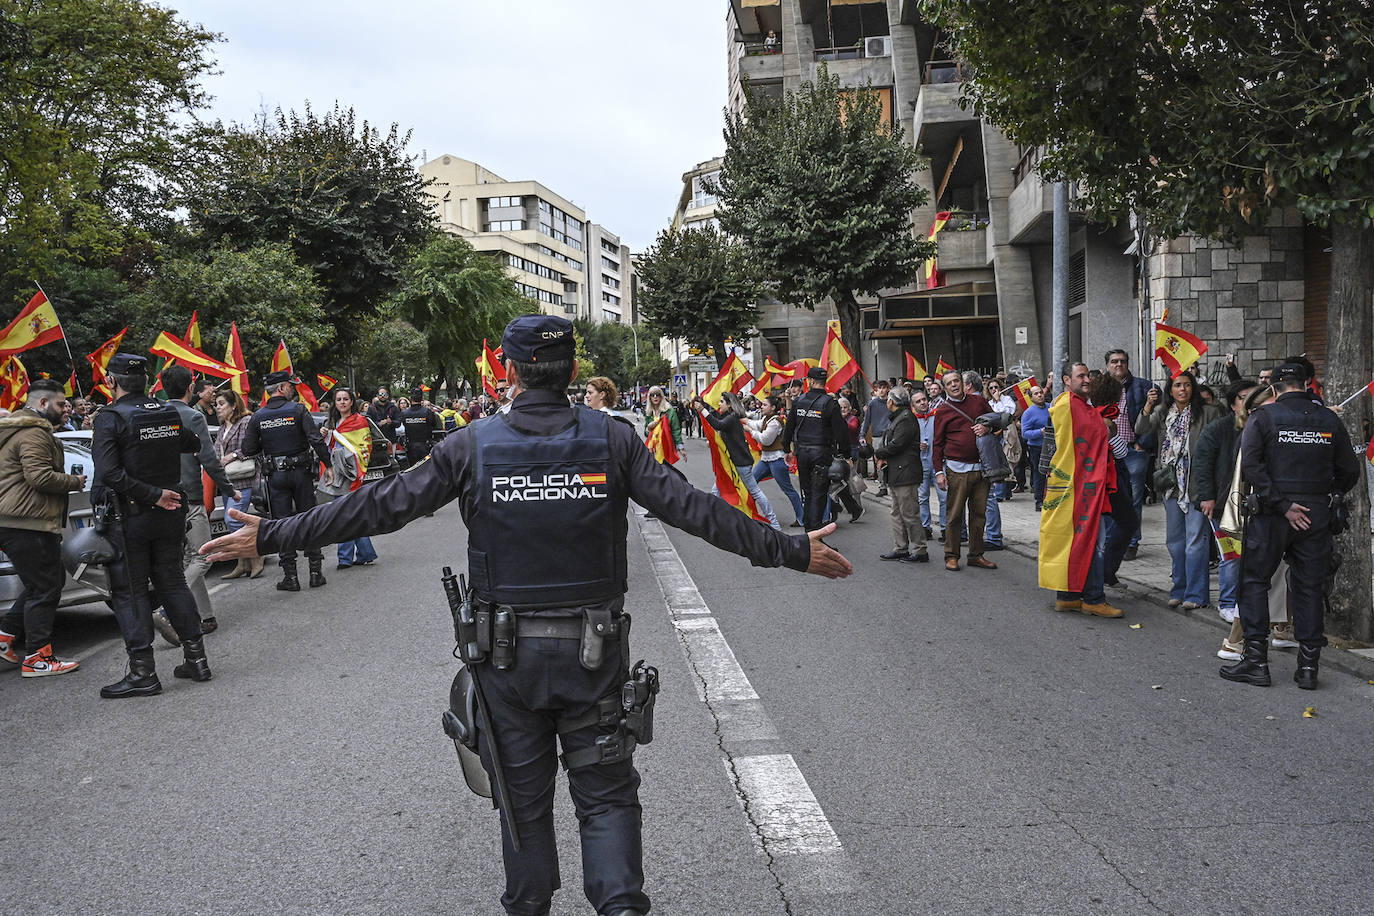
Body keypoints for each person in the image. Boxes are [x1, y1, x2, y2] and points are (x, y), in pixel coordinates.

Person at [200, 314, 852, 916]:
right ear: (571, 372)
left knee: (523, 807)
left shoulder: (473, 445)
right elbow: (695, 511)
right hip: (594, 658)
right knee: (605, 799)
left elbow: (378, 507)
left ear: (509, 373)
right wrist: (791, 550)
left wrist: (273, 534)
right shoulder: (611, 440)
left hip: (505, 665)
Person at [1220, 362, 1361, 689]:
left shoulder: (1263, 418)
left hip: (1272, 514)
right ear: (1306, 384)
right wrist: (1325, 497)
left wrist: (1283, 505)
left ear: (1273, 390)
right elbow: (1350, 471)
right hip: (1314, 514)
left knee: (1255, 581)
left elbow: (1252, 467)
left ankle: (1256, 662)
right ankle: (1308, 669)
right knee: (1310, 587)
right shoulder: (1329, 419)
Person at [91, 354, 209, 698]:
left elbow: (109, 474)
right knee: (172, 582)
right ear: (146, 381)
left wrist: (151, 494)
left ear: (112, 382)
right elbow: (192, 443)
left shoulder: (111, 417)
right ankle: (197, 660)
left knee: (130, 591)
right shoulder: (165, 411)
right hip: (170, 511)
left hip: (132, 516)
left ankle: (143, 673)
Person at [0, 379, 86, 677]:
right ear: (41, 404)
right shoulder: (34, 433)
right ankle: (38, 657)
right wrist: (74, 482)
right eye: (61, 404)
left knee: (46, 582)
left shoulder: (18, 430)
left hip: (18, 521)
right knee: (46, 588)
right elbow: (39, 477)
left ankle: (5, 638)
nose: (67, 410)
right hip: (29, 523)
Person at [1038, 363, 1123, 617]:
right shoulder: (1068, 406)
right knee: (1091, 543)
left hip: (1083, 485)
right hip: (1080, 486)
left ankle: (1069, 596)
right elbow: (1069, 448)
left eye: (1088, 376)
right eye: (1081, 376)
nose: (1087, 380)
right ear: (1067, 379)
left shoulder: (1082, 406)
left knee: (1075, 541)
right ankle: (1093, 598)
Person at [161, 365, 238, 641]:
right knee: (204, 556)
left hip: (161, 498)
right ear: (191, 388)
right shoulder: (192, 417)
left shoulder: (155, 415)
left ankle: (205, 616)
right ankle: (167, 611)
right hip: (189, 497)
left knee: (188, 558)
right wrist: (229, 489)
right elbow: (209, 458)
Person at [1135, 369, 1224, 610]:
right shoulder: (1163, 412)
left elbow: (1220, 445)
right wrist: (1148, 405)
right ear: (1170, 390)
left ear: (1193, 388)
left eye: (1186, 385)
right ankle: (1179, 589)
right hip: (1171, 486)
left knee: (1196, 540)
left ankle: (1196, 595)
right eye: (1177, 385)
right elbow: (1141, 429)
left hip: (1197, 485)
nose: (1182, 389)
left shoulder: (1209, 412)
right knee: (1175, 541)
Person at [243, 369, 332, 591]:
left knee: (282, 523)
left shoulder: (258, 416)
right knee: (309, 518)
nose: (293, 388)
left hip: (276, 476)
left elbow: (248, 449)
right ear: (281, 388)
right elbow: (315, 439)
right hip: (301, 473)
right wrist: (328, 465)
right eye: (290, 385)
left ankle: (290, 577)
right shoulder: (298, 409)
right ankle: (314, 573)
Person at [1193, 378, 1259, 626]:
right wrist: (1207, 497)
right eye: (1243, 397)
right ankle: (1228, 603)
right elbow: (1203, 464)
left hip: (1256, 504)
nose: (1250, 402)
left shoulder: (1263, 426)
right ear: (1233, 404)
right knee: (1231, 556)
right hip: (1224, 504)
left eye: (1254, 396)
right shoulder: (1218, 429)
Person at [782, 366, 863, 530]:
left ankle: (809, 533)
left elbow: (789, 428)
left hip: (803, 453)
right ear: (824, 382)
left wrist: (786, 450)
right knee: (819, 494)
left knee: (807, 493)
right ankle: (814, 534)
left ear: (811, 381)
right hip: (821, 454)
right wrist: (846, 456)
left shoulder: (799, 401)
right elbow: (841, 433)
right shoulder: (830, 403)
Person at [931, 369, 995, 572]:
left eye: (956, 381)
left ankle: (976, 555)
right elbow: (937, 444)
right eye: (949, 383)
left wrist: (988, 428)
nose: (954, 385)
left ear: (962, 382)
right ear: (944, 387)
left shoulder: (979, 402)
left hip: (982, 468)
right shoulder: (942, 411)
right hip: (956, 469)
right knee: (955, 515)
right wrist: (939, 472)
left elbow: (996, 422)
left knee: (979, 514)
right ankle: (952, 555)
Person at [694, 391, 780, 531]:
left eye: (722, 402)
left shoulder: (732, 418)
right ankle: (714, 519)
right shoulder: (729, 417)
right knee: (717, 490)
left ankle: (773, 522)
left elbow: (716, 424)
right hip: (736, 462)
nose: (719, 404)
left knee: (754, 491)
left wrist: (702, 410)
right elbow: (719, 423)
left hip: (740, 462)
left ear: (729, 404)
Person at [1104, 349, 1158, 560]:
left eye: (1123, 361)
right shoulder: (1100, 387)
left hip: (1133, 450)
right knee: (1108, 497)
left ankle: (1131, 542)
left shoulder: (1144, 386)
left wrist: (1142, 444)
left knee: (1133, 499)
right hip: (1107, 452)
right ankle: (1110, 541)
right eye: (1114, 361)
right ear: (1107, 365)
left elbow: (1153, 417)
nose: (1119, 365)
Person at [322, 387, 382, 569]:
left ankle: (346, 558)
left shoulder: (360, 421)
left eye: (345, 399)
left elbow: (365, 447)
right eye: (338, 399)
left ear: (352, 401)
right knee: (350, 514)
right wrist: (325, 436)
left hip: (353, 473)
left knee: (344, 514)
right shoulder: (331, 422)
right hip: (338, 474)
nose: (342, 402)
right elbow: (327, 448)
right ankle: (364, 553)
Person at [214, 388, 264, 580]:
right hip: (227, 480)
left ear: (233, 405)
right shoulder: (221, 428)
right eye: (216, 404)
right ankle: (242, 563)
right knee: (237, 520)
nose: (218, 408)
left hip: (243, 478)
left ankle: (255, 555)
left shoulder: (245, 422)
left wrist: (233, 455)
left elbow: (252, 447)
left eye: (221, 404)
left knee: (232, 520)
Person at [874, 386, 928, 563]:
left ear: (892, 401)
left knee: (909, 512)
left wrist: (879, 453)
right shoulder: (898, 418)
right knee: (896, 512)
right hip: (896, 472)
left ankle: (920, 550)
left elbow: (897, 444)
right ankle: (900, 547)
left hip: (906, 472)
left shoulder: (905, 419)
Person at [745, 394, 804, 527]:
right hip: (766, 459)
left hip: (777, 459)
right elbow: (754, 423)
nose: (762, 406)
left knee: (788, 490)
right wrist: (742, 418)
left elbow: (766, 439)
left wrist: (750, 431)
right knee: (750, 484)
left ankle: (801, 518)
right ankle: (750, 513)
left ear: (772, 408)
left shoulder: (775, 422)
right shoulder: (766, 418)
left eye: (765, 405)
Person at [911, 388, 946, 540]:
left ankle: (945, 528)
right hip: (920, 463)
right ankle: (925, 527)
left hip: (938, 463)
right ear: (913, 405)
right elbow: (905, 440)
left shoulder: (937, 416)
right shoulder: (911, 420)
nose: (922, 403)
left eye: (924, 399)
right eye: (918, 401)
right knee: (922, 496)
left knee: (944, 496)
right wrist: (916, 445)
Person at [1020, 384, 1050, 510]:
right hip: (1037, 448)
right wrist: (1040, 432)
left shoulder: (1051, 407)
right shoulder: (1028, 413)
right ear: (1031, 398)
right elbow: (1025, 433)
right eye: (1036, 394)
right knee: (1039, 473)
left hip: (1052, 445)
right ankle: (1039, 500)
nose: (1040, 395)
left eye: (1041, 392)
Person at [861, 379, 893, 496]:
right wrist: (862, 435)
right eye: (879, 388)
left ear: (888, 389)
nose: (881, 390)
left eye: (884, 388)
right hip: (877, 436)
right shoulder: (872, 404)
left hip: (891, 435)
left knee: (891, 460)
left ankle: (892, 483)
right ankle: (882, 486)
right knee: (879, 461)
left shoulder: (892, 402)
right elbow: (867, 420)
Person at [401, 387, 444, 467]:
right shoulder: (428, 412)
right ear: (422, 398)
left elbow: (404, 424)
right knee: (426, 468)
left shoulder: (404, 413)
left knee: (413, 469)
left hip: (411, 447)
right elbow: (434, 425)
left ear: (410, 398)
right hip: (425, 446)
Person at [642, 387, 682, 458]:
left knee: (664, 468)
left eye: (657, 394)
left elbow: (676, 429)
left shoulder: (669, 411)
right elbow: (646, 433)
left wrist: (680, 447)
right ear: (649, 398)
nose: (655, 397)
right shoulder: (649, 412)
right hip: (652, 449)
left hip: (665, 447)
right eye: (652, 395)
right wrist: (648, 428)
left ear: (661, 397)